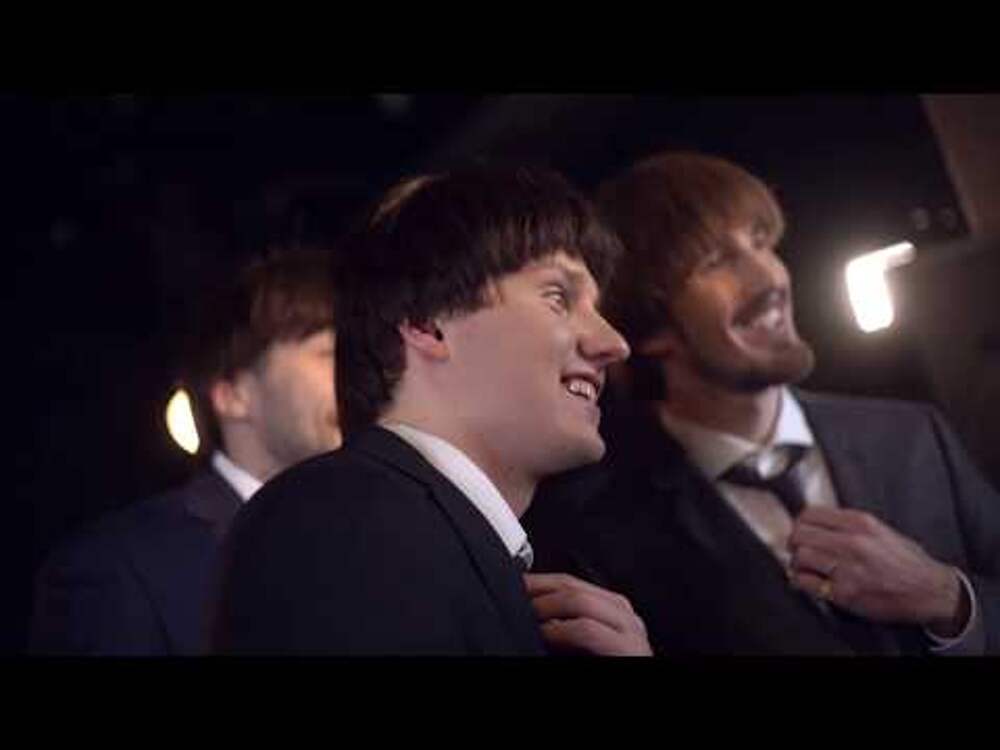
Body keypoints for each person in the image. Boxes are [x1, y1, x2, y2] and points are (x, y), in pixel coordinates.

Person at [525, 151, 1000, 655]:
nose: (770, 278)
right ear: (650, 329)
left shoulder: (913, 435)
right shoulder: (599, 531)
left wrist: (948, 597)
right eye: (716, 262)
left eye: (760, 243)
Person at [212, 166, 651, 655]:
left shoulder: (455, 542)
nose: (614, 343)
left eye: (598, 308)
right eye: (557, 297)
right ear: (428, 323)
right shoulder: (336, 519)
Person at [30, 248, 342, 654]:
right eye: (329, 353)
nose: (355, 374)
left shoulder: (374, 542)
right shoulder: (119, 570)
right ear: (233, 395)